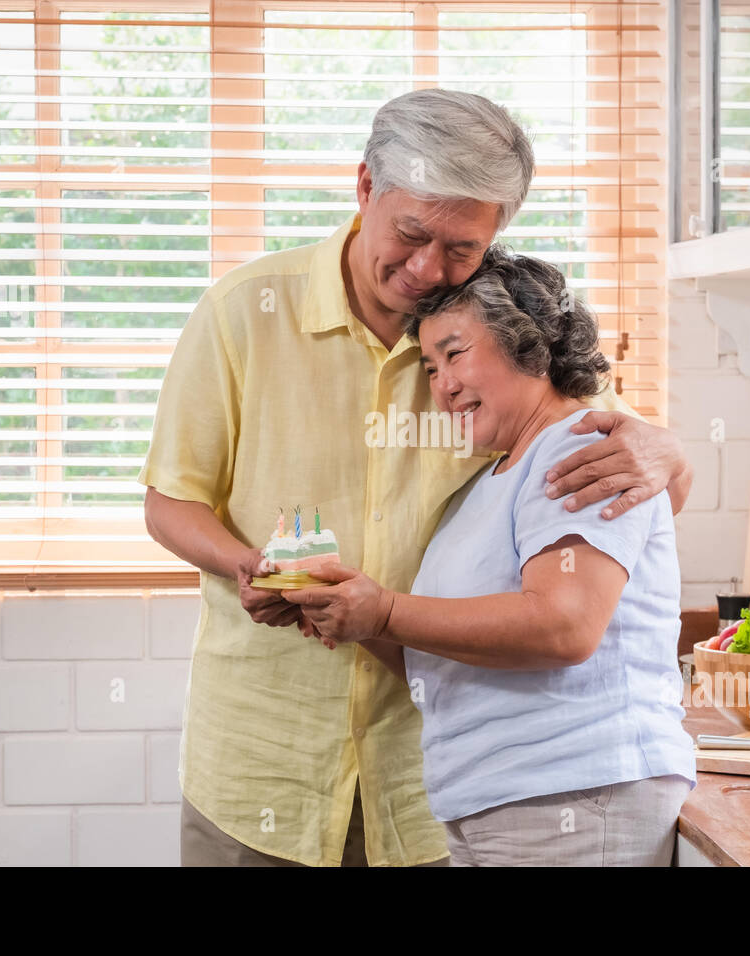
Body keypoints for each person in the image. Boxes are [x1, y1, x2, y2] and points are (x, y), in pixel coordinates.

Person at [137, 89, 694, 867]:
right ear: (366, 189)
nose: (427, 268)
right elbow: (170, 500)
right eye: (411, 233)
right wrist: (245, 567)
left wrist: (670, 452)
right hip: (264, 759)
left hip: (437, 778)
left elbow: (621, 463)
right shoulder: (243, 314)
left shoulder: (500, 339)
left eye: (461, 248)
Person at [283, 246, 696, 866]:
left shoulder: (581, 451)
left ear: (526, 345)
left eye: (456, 353)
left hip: (572, 793)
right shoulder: (488, 483)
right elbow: (452, 661)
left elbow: (564, 627)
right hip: (502, 802)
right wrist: (352, 614)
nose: (442, 384)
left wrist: (386, 610)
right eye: (428, 366)